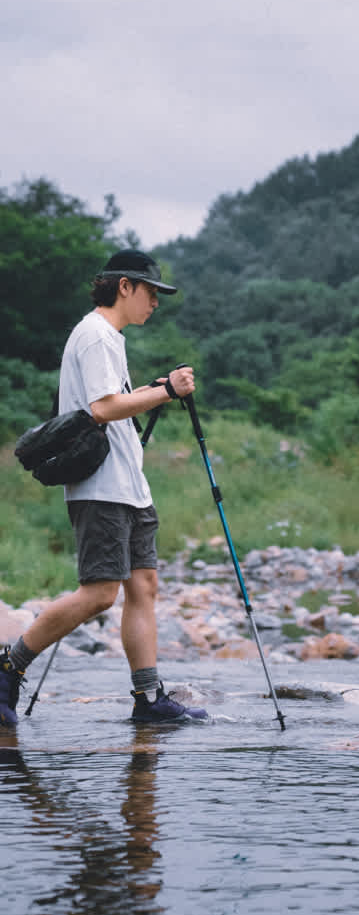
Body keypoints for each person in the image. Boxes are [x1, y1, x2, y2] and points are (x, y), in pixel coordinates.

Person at [1, 249, 209, 726]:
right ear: (124, 287)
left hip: (130, 484)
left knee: (144, 586)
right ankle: (9, 666)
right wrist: (168, 391)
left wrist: (151, 390)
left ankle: (149, 699)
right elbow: (100, 408)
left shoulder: (110, 337)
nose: (155, 302)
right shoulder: (95, 335)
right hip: (103, 486)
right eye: (151, 292)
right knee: (98, 593)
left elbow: (117, 402)